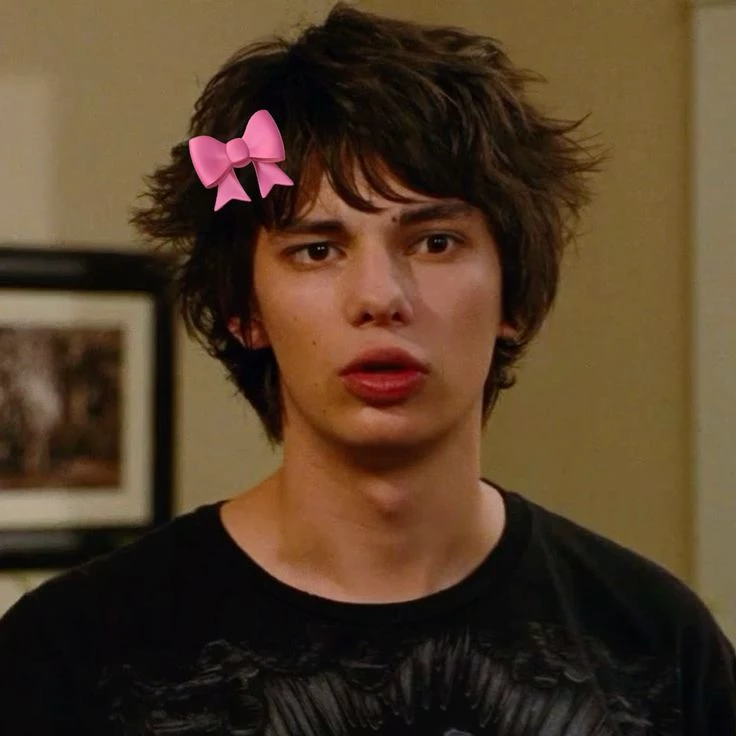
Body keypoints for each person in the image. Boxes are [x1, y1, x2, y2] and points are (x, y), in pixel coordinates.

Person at [1, 3, 734, 734]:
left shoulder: (656, 646)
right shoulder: (68, 654)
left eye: (435, 242)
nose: (380, 297)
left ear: (513, 294)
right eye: (317, 250)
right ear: (244, 311)